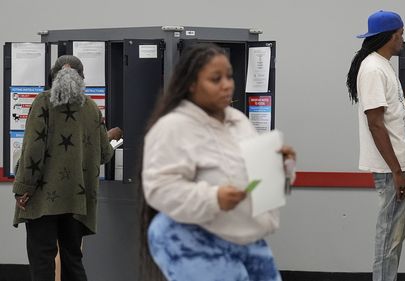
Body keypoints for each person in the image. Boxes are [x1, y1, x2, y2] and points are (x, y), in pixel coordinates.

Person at [140, 43, 295, 281]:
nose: (227, 85)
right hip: (196, 239)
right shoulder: (173, 128)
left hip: (248, 239)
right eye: (215, 79)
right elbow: (160, 189)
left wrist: (280, 167)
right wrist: (213, 198)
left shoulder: (239, 121)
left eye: (229, 77)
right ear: (191, 85)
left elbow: (255, 176)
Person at [346, 10, 405, 281]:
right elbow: (375, 123)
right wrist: (397, 171)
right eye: (401, 34)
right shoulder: (373, 69)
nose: (403, 39)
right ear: (390, 36)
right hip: (393, 169)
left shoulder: (382, 66)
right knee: (389, 235)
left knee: (395, 235)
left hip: (397, 166)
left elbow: (400, 111)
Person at [12, 55, 122, 281]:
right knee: (73, 258)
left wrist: (24, 187)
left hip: (43, 197)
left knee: (42, 258)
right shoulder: (92, 108)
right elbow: (103, 154)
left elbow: (33, 149)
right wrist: (112, 139)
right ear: (82, 78)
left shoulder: (43, 102)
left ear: (53, 77)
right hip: (77, 197)